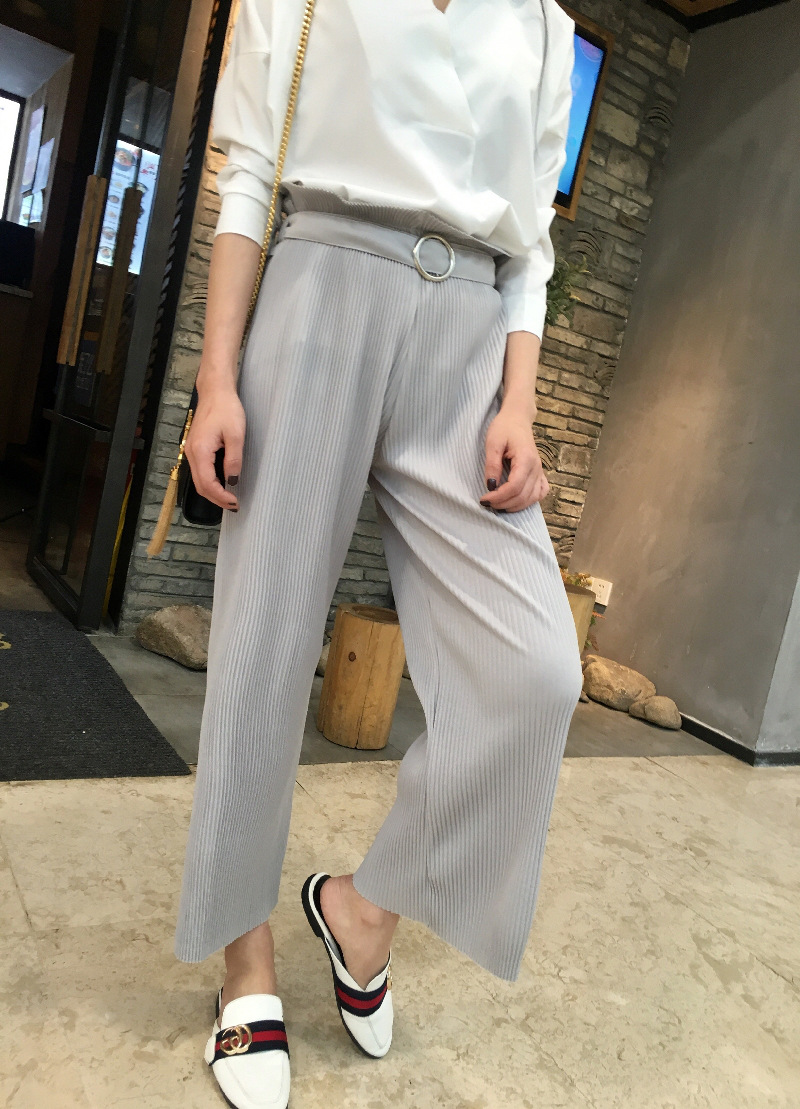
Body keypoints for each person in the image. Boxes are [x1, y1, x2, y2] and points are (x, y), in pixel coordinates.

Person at [173, 1, 583, 1106]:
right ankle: (244, 960)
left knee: (537, 671)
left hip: (468, 339)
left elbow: (531, 243)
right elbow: (250, 177)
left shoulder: (545, 24)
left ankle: (362, 906)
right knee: (262, 650)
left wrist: (518, 400)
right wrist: (217, 378)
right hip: (322, 285)